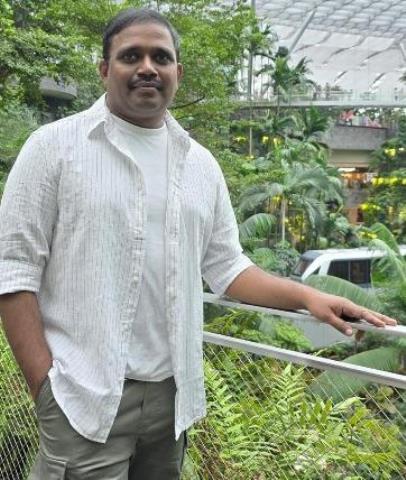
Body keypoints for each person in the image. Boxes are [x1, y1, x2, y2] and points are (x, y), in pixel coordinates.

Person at [0, 8, 397, 480]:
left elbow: (228, 267)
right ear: (105, 69)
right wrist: (45, 389)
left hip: (171, 402)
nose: (147, 67)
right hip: (81, 396)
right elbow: (14, 270)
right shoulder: (54, 148)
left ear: (178, 72)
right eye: (131, 56)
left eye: (160, 57)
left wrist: (309, 297)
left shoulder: (200, 165)